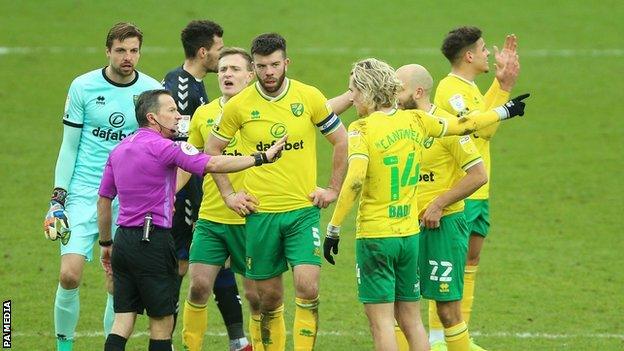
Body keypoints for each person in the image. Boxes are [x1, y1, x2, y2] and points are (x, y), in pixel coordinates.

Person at [322, 58, 529, 351]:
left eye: (353, 90)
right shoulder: (416, 121)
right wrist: (503, 111)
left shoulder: (361, 128)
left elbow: (355, 180)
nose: (351, 97)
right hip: (409, 236)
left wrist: (333, 227)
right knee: (411, 319)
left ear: (366, 91)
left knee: (382, 322)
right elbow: (462, 124)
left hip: (378, 235)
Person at [98, 89, 286, 351]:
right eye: (172, 110)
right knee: (161, 322)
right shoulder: (165, 148)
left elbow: (104, 200)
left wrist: (106, 243)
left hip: (123, 241)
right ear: (153, 118)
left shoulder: (118, 150)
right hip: (152, 241)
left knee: (123, 320)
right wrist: (260, 158)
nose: (178, 116)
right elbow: (212, 164)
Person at [206, 32, 348, 351]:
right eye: (261, 66)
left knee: (307, 287)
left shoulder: (308, 96)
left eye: (274, 65)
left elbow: (341, 140)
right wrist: (229, 195)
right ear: (253, 68)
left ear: (286, 63)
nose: (269, 72)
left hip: (301, 211)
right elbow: (211, 150)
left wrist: (333, 188)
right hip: (261, 214)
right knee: (268, 298)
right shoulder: (239, 106)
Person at [43, 22, 161, 351]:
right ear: (108, 50)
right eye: (121, 50)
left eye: (134, 50)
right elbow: (69, 147)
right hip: (84, 192)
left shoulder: (151, 92)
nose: (128, 57)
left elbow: (156, 149)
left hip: (129, 196)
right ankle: (64, 347)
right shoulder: (83, 87)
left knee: (117, 283)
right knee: (69, 275)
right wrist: (58, 198)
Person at [433, 27, 520, 350]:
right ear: (468, 56)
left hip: (479, 190)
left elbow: (483, 117)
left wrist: (500, 85)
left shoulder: (469, 89)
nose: (488, 53)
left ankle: (460, 337)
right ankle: (438, 340)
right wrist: (504, 87)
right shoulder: (449, 90)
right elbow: (485, 130)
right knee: (447, 268)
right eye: (484, 49)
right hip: (460, 190)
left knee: (470, 260)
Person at [162, 20, 247, 347]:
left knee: (215, 265)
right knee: (184, 267)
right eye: (218, 50)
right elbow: (185, 154)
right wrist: (184, 198)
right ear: (203, 52)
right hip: (189, 197)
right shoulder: (183, 89)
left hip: (203, 193)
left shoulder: (195, 84)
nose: (221, 55)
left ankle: (237, 338)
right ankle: (165, 338)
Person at [395, 64, 488, 351]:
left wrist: (438, 204)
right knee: (401, 307)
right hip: (404, 227)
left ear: (418, 92)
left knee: (447, 311)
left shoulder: (448, 127)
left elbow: (478, 175)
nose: (393, 94)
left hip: (443, 225)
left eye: (399, 88)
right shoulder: (398, 124)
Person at [181, 47, 257, 351]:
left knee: (256, 296)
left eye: (235, 69)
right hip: (212, 216)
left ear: (250, 76)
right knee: (198, 287)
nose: (227, 74)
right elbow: (189, 161)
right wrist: (162, 194)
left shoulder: (262, 113)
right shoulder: (204, 113)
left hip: (252, 217)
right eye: (223, 69)